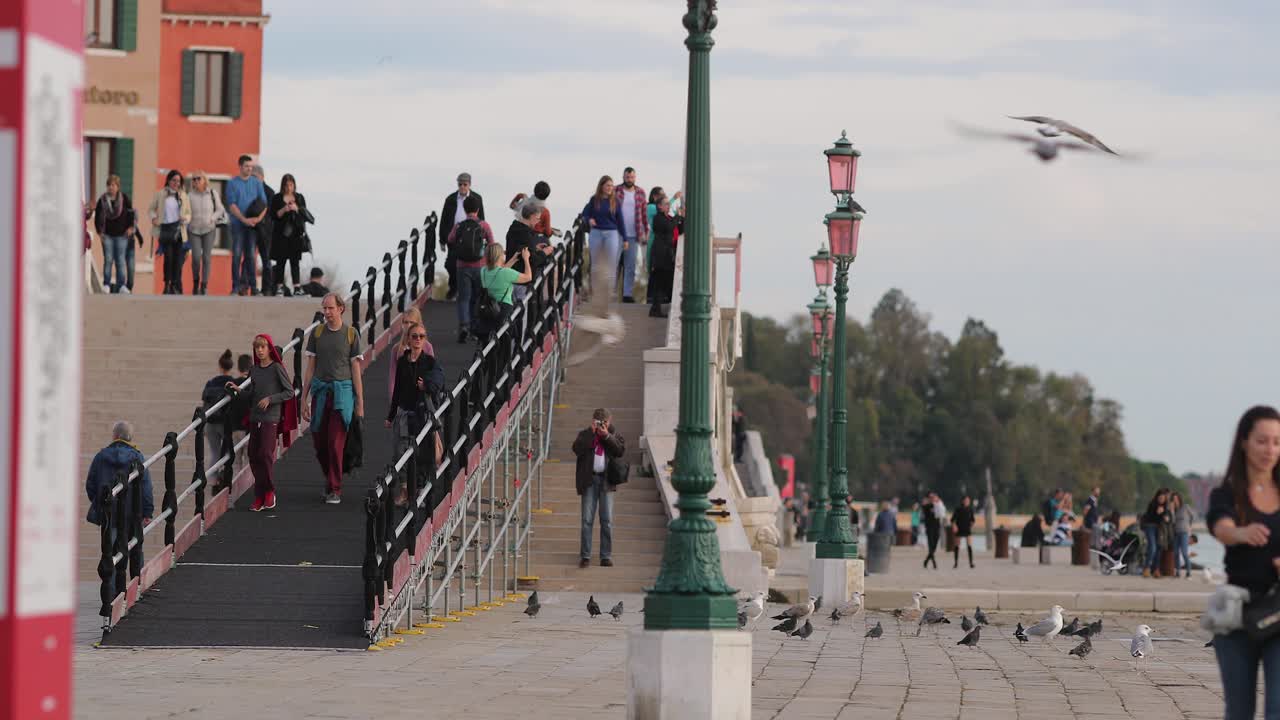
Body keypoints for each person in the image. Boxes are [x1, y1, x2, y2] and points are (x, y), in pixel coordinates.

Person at [1207, 406, 1280, 719]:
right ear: (1244, 442)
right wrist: (1240, 532)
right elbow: (1220, 527)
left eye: (1277, 442)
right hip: (1236, 615)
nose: (1270, 450)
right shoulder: (1227, 493)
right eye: (1262, 441)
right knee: (1239, 710)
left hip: (1279, 612)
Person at [301, 293, 365, 504]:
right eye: (324, 308)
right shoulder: (317, 333)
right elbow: (310, 368)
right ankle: (330, 480)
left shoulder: (351, 334)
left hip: (343, 393)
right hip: (320, 392)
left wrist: (359, 403)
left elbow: (355, 369)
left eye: (330, 308)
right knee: (320, 442)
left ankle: (335, 488)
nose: (327, 312)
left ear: (340, 309)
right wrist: (304, 398)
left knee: (335, 442)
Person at [226, 335, 297, 512]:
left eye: (263, 347)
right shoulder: (255, 370)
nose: (260, 350)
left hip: (270, 419)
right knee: (253, 455)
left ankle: (269, 491)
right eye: (257, 347)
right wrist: (239, 390)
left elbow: (289, 392)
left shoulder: (277, 368)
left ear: (269, 348)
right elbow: (252, 395)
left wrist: (270, 399)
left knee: (265, 454)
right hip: (255, 419)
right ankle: (260, 495)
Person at [385, 321, 445, 506]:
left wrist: (426, 385)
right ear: (408, 339)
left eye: (422, 336)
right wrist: (391, 415)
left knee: (424, 454)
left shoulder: (429, 362)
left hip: (422, 413)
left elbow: (439, 380)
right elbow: (398, 391)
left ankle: (421, 491)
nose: (418, 339)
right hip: (404, 413)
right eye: (414, 336)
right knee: (401, 452)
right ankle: (404, 489)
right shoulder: (402, 360)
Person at [85, 421, 153, 556]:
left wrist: (102, 502)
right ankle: (138, 577)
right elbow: (146, 488)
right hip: (133, 513)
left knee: (111, 557)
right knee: (135, 552)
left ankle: (112, 577)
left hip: (110, 514)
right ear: (130, 437)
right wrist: (147, 512)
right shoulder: (137, 457)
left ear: (115, 436)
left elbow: (90, 485)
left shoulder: (101, 457)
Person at [571, 408, 626, 568]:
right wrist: (592, 433)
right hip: (589, 480)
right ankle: (585, 555)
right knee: (587, 520)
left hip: (606, 481)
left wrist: (606, 436)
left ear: (609, 422)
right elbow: (576, 449)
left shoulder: (614, 434)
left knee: (606, 520)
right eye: (598, 422)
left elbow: (620, 451)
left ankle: (606, 556)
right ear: (593, 421)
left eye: (605, 423)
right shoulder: (585, 434)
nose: (602, 425)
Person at [446, 194, 495, 343]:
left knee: (463, 298)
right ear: (478, 209)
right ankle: (475, 329)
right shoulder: (483, 225)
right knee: (477, 298)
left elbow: (450, 239)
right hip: (480, 266)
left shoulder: (459, 225)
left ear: (465, 209)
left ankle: (464, 327)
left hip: (462, 266)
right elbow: (492, 243)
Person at [226, 155, 269, 296]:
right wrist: (244, 219)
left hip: (252, 226)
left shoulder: (256, 183)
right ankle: (235, 286)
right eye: (246, 166)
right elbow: (232, 205)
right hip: (238, 225)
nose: (249, 169)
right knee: (237, 255)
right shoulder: (232, 183)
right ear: (240, 166)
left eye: (251, 166)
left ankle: (253, 287)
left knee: (251, 255)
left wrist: (257, 219)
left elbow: (264, 204)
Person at [440, 173, 485, 301]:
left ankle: (469, 293)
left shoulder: (477, 198)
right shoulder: (450, 199)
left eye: (465, 184)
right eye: (460, 184)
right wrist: (442, 240)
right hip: (455, 237)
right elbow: (444, 220)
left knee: (471, 265)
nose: (462, 187)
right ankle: (453, 288)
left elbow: (482, 217)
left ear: (469, 184)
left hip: (472, 237)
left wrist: (483, 238)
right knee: (450, 264)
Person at [476, 242, 532, 345]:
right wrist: (526, 259)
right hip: (503, 310)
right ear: (499, 256)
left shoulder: (483, 271)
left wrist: (513, 259)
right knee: (507, 338)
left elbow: (499, 273)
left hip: (489, 309)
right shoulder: (506, 273)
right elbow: (528, 277)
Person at [92, 174, 139, 294]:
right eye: (109, 185)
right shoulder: (102, 200)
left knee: (120, 260)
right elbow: (97, 217)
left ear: (118, 187)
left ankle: (121, 285)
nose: (111, 187)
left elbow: (131, 214)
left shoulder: (124, 198)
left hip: (122, 235)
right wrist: (99, 232)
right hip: (107, 235)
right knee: (108, 259)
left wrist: (130, 228)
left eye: (113, 185)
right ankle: (106, 284)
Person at [148, 169, 191, 294]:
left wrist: (186, 219)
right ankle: (166, 284)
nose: (176, 183)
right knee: (168, 258)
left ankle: (174, 285)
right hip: (166, 230)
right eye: (174, 180)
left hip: (179, 230)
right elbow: (150, 209)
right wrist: (153, 218)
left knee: (178, 260)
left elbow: (189, 213)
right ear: (168, 180)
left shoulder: (183, 195)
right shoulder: (160, 194)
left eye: (178, 181)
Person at [186, 170, 227, 295]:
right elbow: (186, 211)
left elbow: (220, 209)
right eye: (194, 179)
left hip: (209, 229)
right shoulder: (189, 195)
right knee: (196, 257)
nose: (196, 181)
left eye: (199, 178)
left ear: (204, 180)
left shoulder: (212, 193)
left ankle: (204, 285)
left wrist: (212, 218)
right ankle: (195, 282)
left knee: (207, 258)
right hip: (194, 230)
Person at [504, 200, 552, 305]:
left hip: (510, 278)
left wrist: (534, 248)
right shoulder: (526, 234)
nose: (538, 222)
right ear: (532, 216)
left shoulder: (513, 229)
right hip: (520, 281)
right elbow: (532, 260)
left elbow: (521, 250)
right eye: (538, 218)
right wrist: (545, 253)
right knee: (519, 315)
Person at [200, 349, 237, 485]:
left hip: (210, 423)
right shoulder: (233, 383)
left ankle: (214, 481)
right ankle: (228, 478)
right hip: (225, 423)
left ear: (220, 367)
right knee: (230, 452)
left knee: (214, 453)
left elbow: (205, 404)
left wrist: (203, 425)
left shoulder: (211, 383)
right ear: (231, 366)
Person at [270, 173, 311, 295]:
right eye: (286, 185)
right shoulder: (277, 198)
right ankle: (279, 286)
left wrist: (296, 209)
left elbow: (304, 214)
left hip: (295, 235)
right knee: (280, 262)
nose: (289, 188)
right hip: (281, 235)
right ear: (283, 186)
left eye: (291, 185)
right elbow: (273, 215)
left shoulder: (299, 198)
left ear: (294, 185)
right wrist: (284, 209)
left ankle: (297, 287)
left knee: (295, 262)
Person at [613, 167, 648, 303]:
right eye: (627, 177)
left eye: (632, 177)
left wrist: (646, 230)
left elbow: (644, 213)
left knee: (630, 266)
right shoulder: (616, 190)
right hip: (617, 232)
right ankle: (611, 293)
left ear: (635, 178)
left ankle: (627, 294)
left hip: (634, 234)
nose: (630, 180)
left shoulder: (640, 192)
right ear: (623, 177)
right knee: (614, 264)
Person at [648, 194, 681, 318]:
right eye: (666, 204)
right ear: (660, 207)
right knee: (660, 282)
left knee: (665, 282)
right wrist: (678, 216)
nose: (669, 205)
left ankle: (656, 309)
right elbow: (669, 227)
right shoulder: (658, 218)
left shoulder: (668, 218)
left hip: (667, 254)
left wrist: (680, 217)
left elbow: (677, 227)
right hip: (660, 255)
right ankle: (656, 309)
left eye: (669, 203)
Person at [1140, 488, 1171, 578]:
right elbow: (1149, 517)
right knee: (1152, 547)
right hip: (1150, 527)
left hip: (1159, 529)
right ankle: (1146, 569)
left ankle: (1156, 570)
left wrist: (1166, 519)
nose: (1161, 499)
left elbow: (1165, 520)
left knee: (1159, 548)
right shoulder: (1152, 504)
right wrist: (1157, 513)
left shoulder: (1165, 507)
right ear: (1157, 497)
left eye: (1163, 498)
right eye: (1160, 497)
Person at [1171, 491, 1194, 579]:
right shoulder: (1173, 510)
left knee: (1184, 552)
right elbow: (1172, 522)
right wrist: (1172, 510)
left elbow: (1192, 516)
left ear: (1179, 499)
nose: (1175, 501)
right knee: (1176, 553)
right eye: (1173, 499)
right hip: (1176, 533)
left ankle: (1188, 572)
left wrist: (1189, 526)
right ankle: (1178, 572)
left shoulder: (1185, 507)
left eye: (1176, 499)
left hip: (1184, 533)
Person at [951, 495, 976, 568]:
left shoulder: (970, 509)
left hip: (967, 529)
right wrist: (954, 526)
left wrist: (971, 524)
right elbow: (952, 520)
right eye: (966, 500)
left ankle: (971, 563)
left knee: (969, 545)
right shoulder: (958, 509)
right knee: (957, 546)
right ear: (962, 501)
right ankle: (956, 563)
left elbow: (973, 520)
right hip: (959, 528)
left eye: (968, 501)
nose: (967, 502)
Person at [921, 492, 941, 569]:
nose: (933, 498)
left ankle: (926, 560)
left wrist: (938, 502)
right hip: (929, 528)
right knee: (930, 546)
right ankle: (934, 563)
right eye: (931, 497)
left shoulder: (938, 506)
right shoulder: (927, 506)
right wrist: (926, 503)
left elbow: (942, 513)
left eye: (934, 497)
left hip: (937, 528)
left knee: (934, 546)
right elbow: (924, 507)